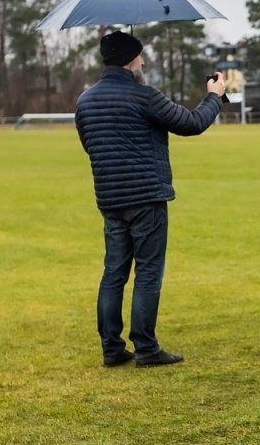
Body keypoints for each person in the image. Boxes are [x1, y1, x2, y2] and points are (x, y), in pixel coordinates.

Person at [75, 30, 228, 368]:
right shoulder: (144, 95)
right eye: (140, 56)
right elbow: (191, 123)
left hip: (110, 197)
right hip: (146, 196)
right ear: (131, 60)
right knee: (148, 272)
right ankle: (145, 347)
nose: (143, 61)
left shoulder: (84, 101)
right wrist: (214, 95)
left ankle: (111, 349)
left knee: (113, 272)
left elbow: (91, 146)